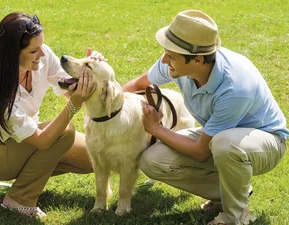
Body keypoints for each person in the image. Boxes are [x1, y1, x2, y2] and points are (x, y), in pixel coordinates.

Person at [122, 10, 288, 225]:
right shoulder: (175, 62)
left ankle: (235, 216)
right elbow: (137, 85)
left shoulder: (236, 86)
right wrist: (110, 111)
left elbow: (201, 152)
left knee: (224, 144)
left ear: (197, 60)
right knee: (152, 161)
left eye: (171, 56)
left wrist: (156, 129)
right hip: (217, 136)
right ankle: (231, 193)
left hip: (266, 141)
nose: (164, 60)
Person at [0, 12, 98, 218]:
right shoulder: (3, 97)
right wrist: (74, 105)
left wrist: (89, 69)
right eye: (33, 51)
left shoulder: (42, 55)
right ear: (13, 54)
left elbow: (66, 86)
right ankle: (19, 198)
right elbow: (42, 140)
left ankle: (30, 176)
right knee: (63, 132)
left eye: (41, 47)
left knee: (95, 157)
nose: (42, 54)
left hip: (25, 142)